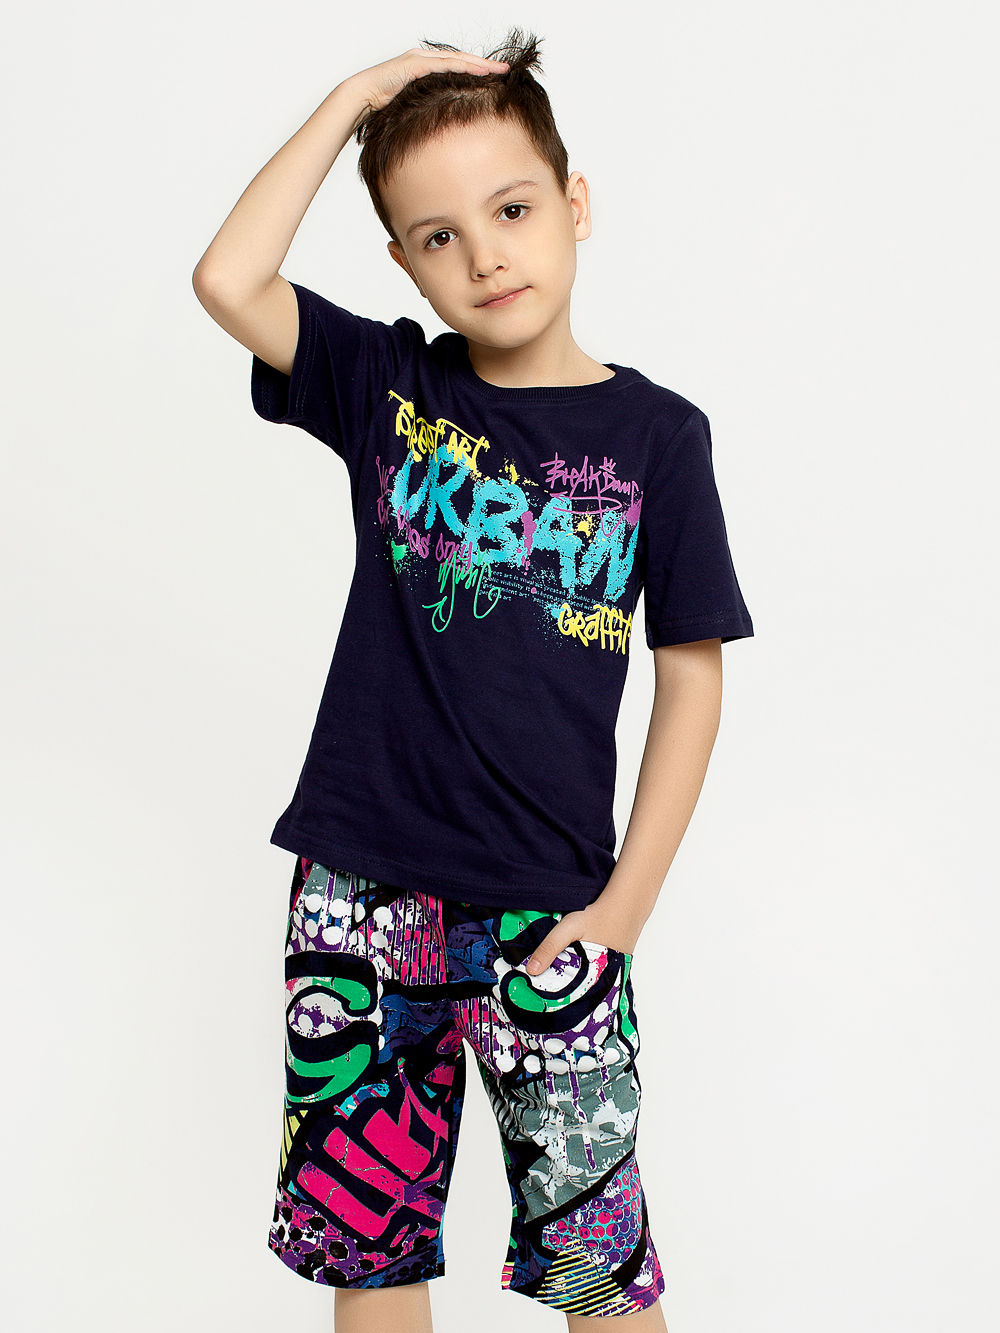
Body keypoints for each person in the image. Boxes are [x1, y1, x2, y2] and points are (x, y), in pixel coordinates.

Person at [192, 28, 752, 1333]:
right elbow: (227, 277)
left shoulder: (659, 438)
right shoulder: (390, 385)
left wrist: (621, 911)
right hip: (361, 895)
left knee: (595, 1262)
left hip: (552, 909)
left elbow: (692, 678)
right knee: (372, 1248)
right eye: (438, 235)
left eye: (510, 210)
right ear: (402, 262)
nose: (486, 255)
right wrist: (355, 97)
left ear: (575, 203)